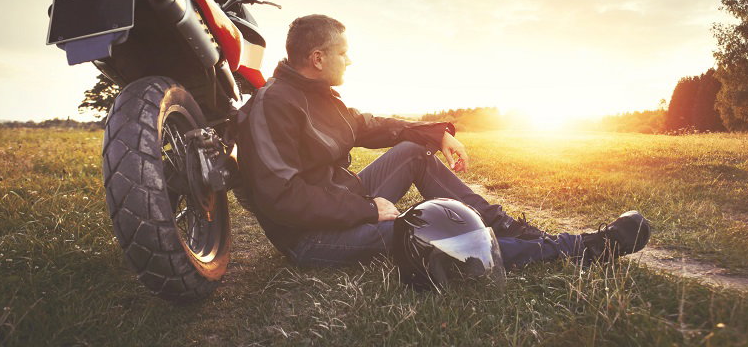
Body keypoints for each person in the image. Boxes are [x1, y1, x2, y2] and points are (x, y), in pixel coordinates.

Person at [235, 14, 650, 271]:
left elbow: (371, 124)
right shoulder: (272, 105)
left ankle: (505, 226)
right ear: (318, 58)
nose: (350, 61)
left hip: (342, 202)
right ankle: (576, 249)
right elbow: (281, 198)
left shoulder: (320, 96)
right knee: (428, 233)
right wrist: (365, 209)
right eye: (344, 53)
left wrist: (436, 132)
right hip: (311, 238)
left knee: (414, 152)